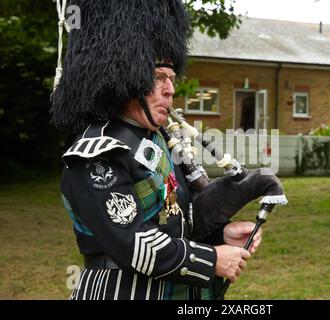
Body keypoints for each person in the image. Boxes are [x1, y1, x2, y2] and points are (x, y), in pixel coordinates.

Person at [50, 0, 262, 300]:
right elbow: (134, 243)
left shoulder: (160, 141)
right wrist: (212, 259)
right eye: (158, 77)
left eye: (172, 79)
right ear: (124, 77)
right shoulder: (95, 153)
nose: (170, 90)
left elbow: (175, 218)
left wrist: (221, 234)